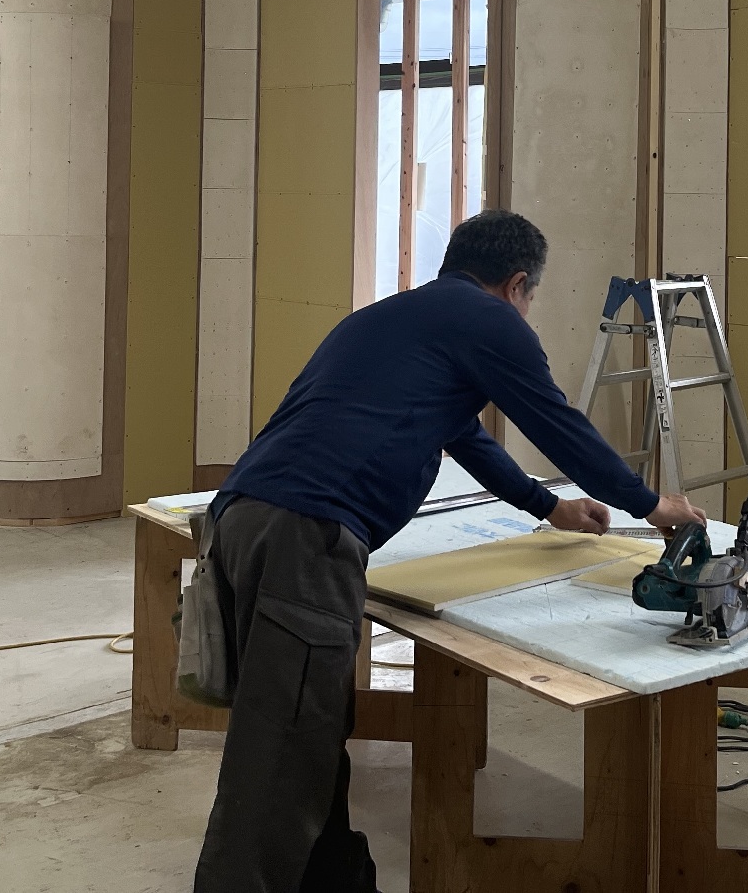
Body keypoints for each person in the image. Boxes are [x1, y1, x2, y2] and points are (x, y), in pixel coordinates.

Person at [193, 209, 707, 893]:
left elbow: (464, 435)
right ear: (517, 284)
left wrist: (549, 507)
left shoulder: (391, 318)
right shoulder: (492, 322)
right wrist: (652, 504)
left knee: (303, 732)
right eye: (530, 299)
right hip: (305, 536)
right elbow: (558, 424)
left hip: (241, 520)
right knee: (279, 758)